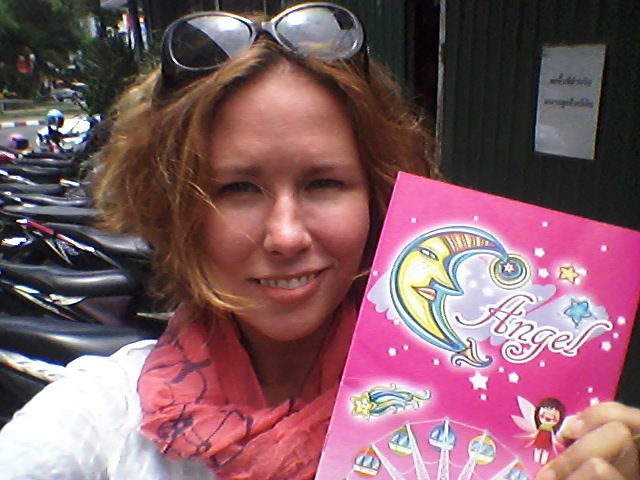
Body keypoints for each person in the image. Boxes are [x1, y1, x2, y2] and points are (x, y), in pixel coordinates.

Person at [0, 3, 637, 480]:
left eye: (324, 183)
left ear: (378, 197)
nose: (285, 234)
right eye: (238, 188)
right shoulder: (104, 421)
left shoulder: (499, 414)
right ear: (176, 208)